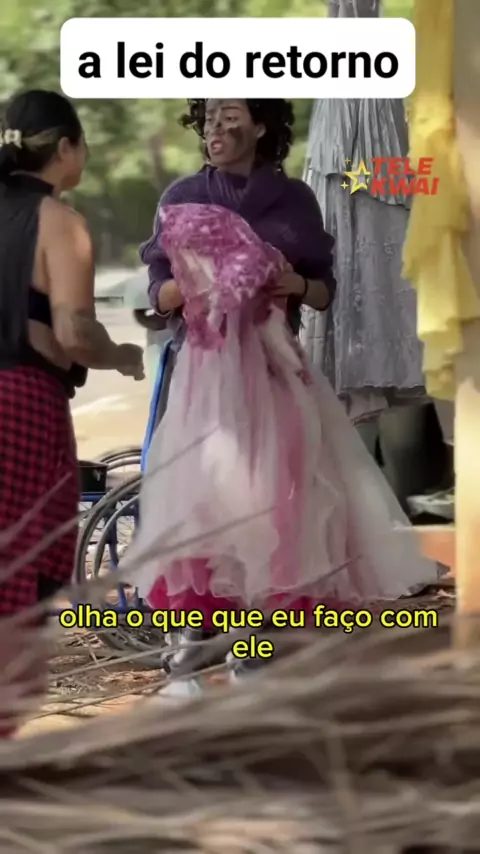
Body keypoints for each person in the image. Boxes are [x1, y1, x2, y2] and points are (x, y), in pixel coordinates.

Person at [127, 98, 436, 680]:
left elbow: (322, 290)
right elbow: (158, 292)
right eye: (208, 118)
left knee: (282, 502)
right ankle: (196, 636)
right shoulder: (182, 197)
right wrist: (203, 284)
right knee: (202, 500)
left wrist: (289, 280)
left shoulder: (295, 200)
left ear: (262, 125)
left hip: (276, 372)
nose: (216, 129)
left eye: (230, 116)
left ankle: (257, 642)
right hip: (206, 374)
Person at [0, 90, 144, 731]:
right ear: (66, 147)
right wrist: (122, 354)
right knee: (21, 567)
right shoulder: (58, 222)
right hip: (20, 405)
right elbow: (75, 332)